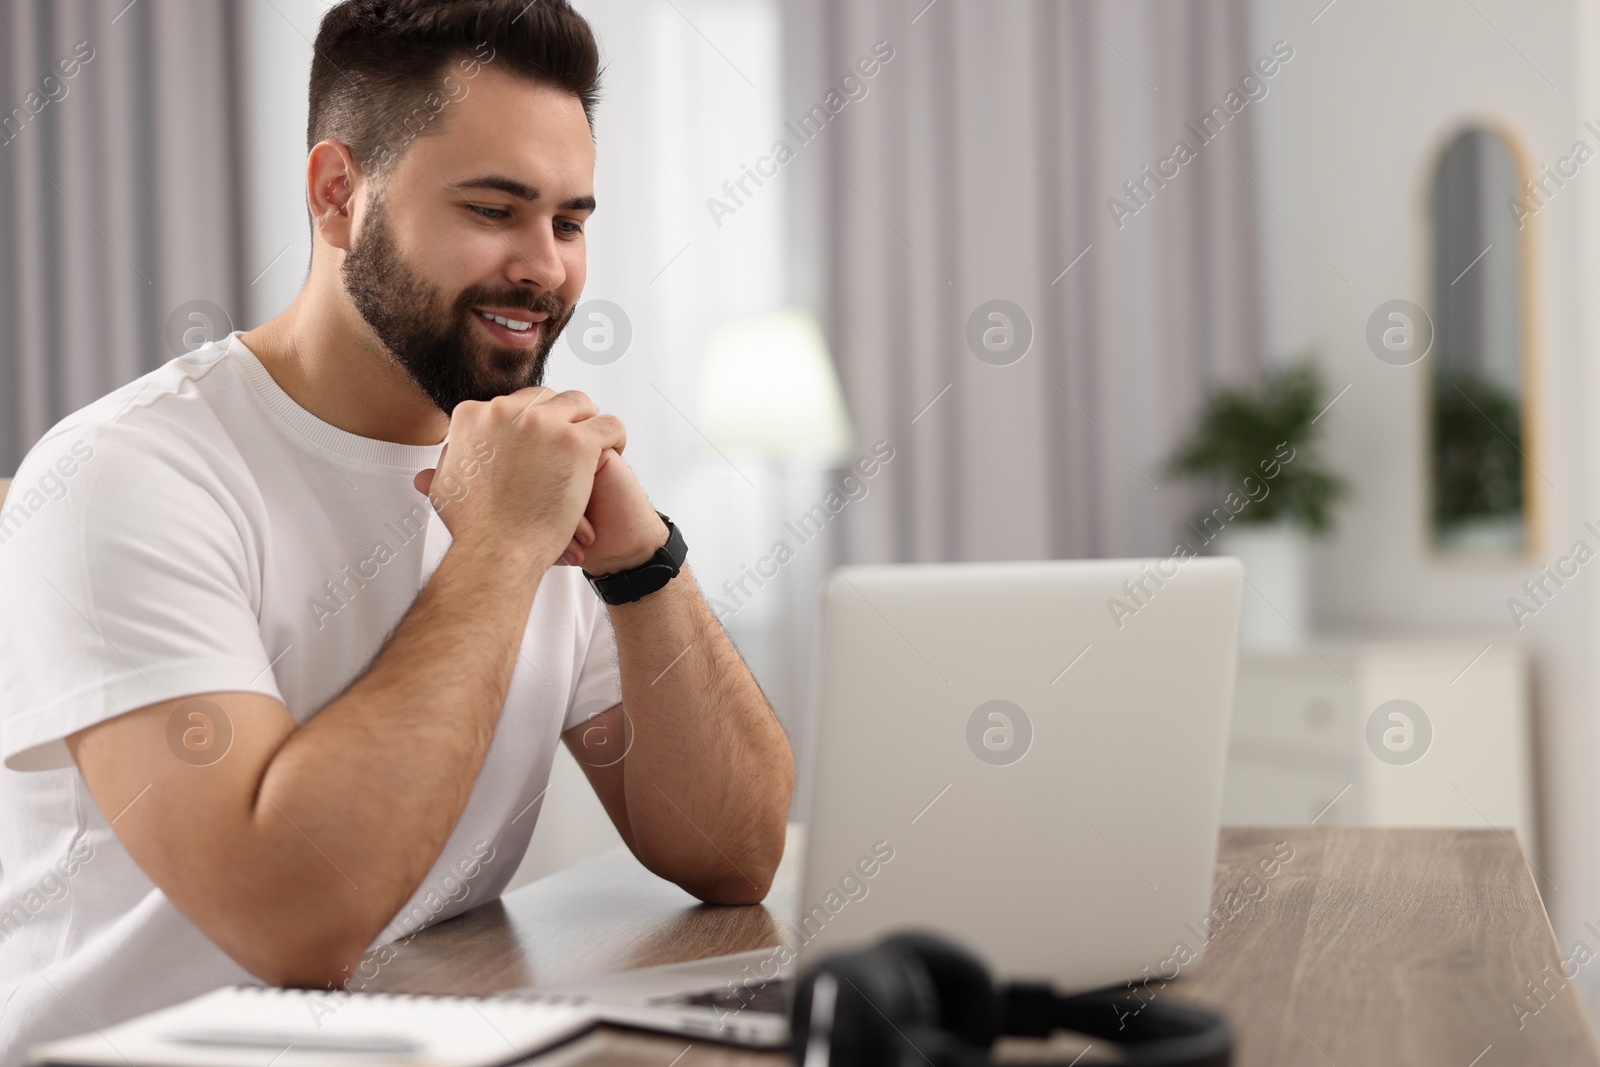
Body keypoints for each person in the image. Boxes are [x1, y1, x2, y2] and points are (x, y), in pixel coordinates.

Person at [0, 0, 793, 1057]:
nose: (547, 268)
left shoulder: (530, 469)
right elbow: (295, 922)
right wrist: (502, 547)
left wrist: (644, 562)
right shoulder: (124, 475)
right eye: (493, 209)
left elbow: (731, 852)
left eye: (568, 220)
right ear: (338, 195)